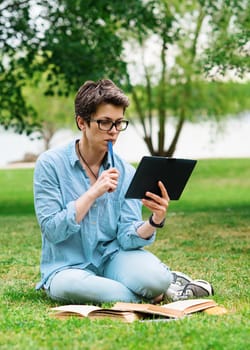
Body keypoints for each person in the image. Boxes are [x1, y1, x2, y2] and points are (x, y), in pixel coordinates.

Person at [34, 79, 213, 305]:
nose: (114, 132)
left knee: (154, 280)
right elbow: (52, 230)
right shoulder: (50, 164)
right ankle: (161, 293)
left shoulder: (126, 172)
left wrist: (154, 221)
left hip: (113, 258)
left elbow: (126, 236)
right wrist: (93, 193)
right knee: (77, 288)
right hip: (67, 268)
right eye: (105, 123)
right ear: (82, 122)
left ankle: (160, 285)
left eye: (119, 123)